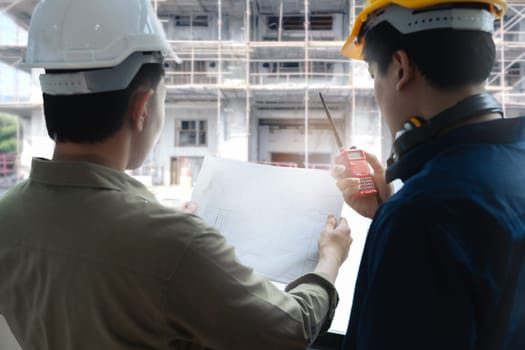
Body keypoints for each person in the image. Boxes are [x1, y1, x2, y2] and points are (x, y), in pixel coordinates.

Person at [0, 1, 352, 349]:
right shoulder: (173, 244)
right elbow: (290, 329)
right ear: (141, 108)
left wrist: (168, 233)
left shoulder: (8, 214)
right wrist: (330, 258)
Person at [333, 0, 525, 349]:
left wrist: (398, 218)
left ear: (401, 68)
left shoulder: (419, 216)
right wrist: (389, 208)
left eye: (375, 75)